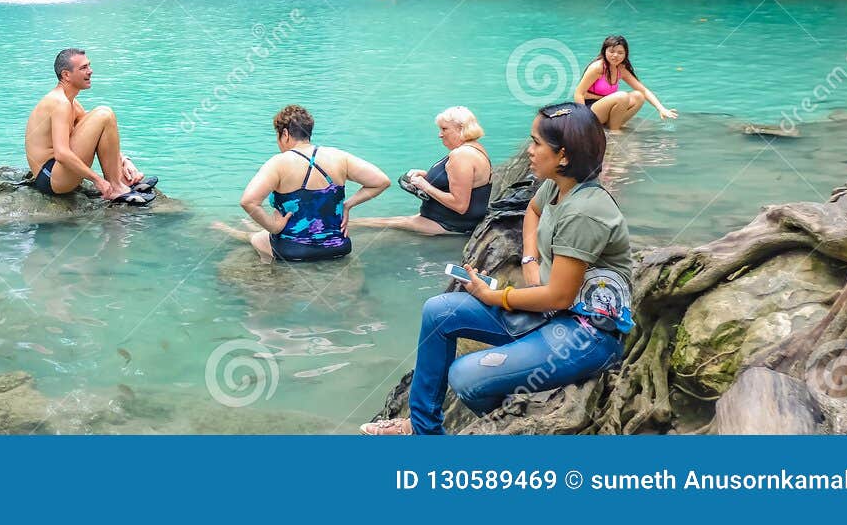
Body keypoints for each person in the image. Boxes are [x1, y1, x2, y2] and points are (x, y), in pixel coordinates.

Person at [361, 103, 633, 435]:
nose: (529, 151)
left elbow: (560, 297)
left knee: (465, 376)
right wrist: (530, 261)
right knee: (439, 311)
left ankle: (517, 425)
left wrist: (496, 295)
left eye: (535, 143)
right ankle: (424, 429)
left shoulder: (585, 212)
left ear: (563, 156)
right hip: (546, 311)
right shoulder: (557, 186)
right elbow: (532, 212)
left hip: (585, 334)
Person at [212, 105, 389, 262]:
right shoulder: (338, 157)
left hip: (294, 249)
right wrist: (347, 205)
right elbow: (381, 181)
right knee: (260, 233)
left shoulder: (279, 162)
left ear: (285, 134)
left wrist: (274, 226)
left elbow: (248, 201)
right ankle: (242, 230)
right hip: (338, 247)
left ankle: (238, 236)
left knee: (258, 238)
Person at [25, 48, 156, 205]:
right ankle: (116, 188)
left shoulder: (71, 102)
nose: (90, 71)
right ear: (66, 75)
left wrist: (124, 160)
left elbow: (98, 133)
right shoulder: (60, 103)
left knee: (103, 117)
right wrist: (97, 180)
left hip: (58, 174)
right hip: (50, 177)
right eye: (83, 68)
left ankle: (120, 181)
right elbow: (61, 154)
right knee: (104, 113)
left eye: (89, 66)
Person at [349, 106, 492, 236]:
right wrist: (426, 176)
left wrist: (425, 186)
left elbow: (460, 205)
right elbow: (462, 181)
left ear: (460, 128)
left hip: (450, 224)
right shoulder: (474, 148)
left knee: (363, 224)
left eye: (444, 129)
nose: (440, 135)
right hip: (445, 218)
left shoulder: (462, 156)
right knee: (371, 222)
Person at [573, 34, 677, 131]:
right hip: (591, 110)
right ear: (604, 51)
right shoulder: (598, 67)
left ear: (625, 54)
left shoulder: (621, 69)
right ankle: (615, 132)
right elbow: (579, 94)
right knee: (622, 96)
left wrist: (661, 109)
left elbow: (643, 90)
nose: (615, 55)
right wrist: (584, 120)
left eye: (620, 53)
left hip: (605, 108)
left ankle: (613, 128)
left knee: (638, 96)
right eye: (611, 51)